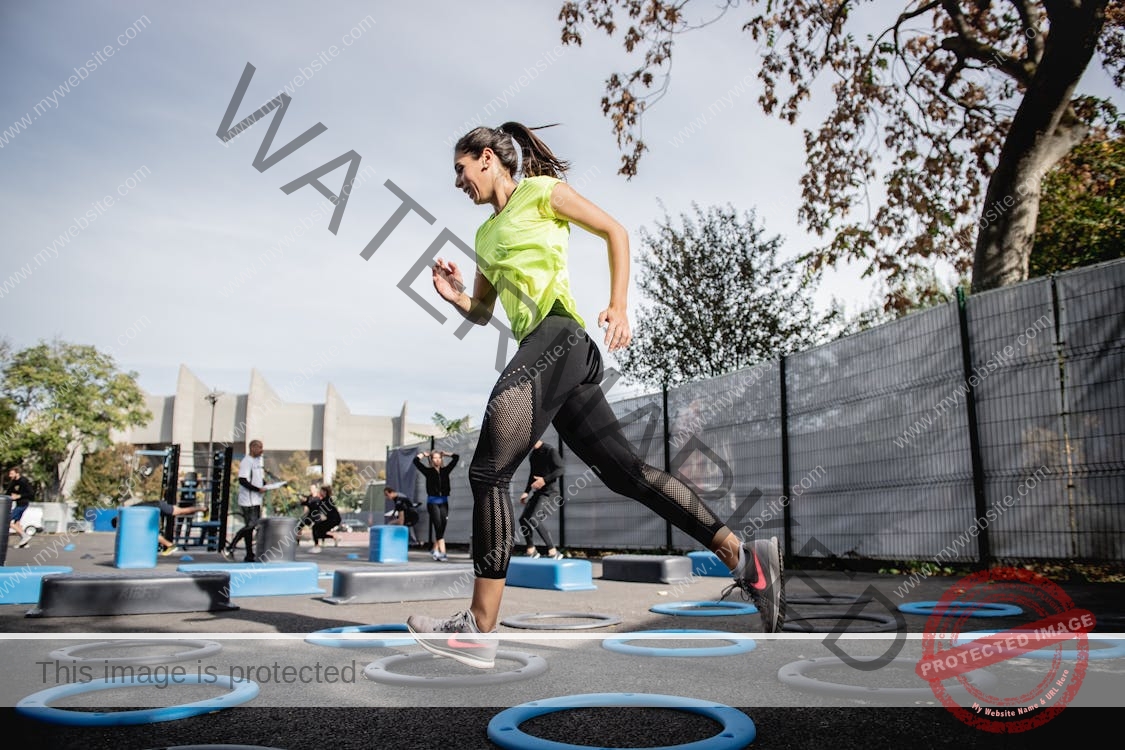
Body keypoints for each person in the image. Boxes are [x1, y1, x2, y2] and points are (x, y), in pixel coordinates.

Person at [406, 122, 784, 669]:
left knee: (488, 471)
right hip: (553, 356)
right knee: (625, 473)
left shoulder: (540, 193)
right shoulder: (485, 237)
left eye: (461, 170)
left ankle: (478, 629)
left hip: (559, 337)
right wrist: (455, 294)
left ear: (487, 158)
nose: (458, 182)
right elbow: (486, 311)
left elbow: (615, 231)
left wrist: (619, 303)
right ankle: (745, 557)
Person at [222, 440, 269, 562]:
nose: (261, 450)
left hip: (256, 500)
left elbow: (257, 478)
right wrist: (256, 489)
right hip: (248, 500)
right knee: (251, 525)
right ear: (252, 448)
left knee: (251, 527)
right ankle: (230, 547)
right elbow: (243, 480)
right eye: (259, 447)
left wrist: (263, 484)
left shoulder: (257, 462)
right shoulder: (246, 461)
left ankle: (249, 554)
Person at [518, 439, 565, 559]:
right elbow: (532, 475)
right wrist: (526, 492)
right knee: (523, 519)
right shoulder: (533, 455)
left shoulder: (550, 450)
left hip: (550, 493)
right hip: (538, 493)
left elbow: (560, 470)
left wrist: (544, 480)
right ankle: (531, 550)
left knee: (534, 519)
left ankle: (553, 551)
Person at [412, 450, 459, 561]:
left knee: (442, 526)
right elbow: (415, 461)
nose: (437, 460)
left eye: (439, 458)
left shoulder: (446, 470)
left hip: (444, 502)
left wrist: (446, 453)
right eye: (434, 458)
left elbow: (456, 457)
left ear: (441, 459)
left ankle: (434, 549)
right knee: (438, 526)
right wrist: (423, 454)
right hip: (433, 502)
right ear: (431, 460)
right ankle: (442, 553)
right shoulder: (428, 471)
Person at [5, 466, 36, 549]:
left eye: (12, 473)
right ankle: (24, 543)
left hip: (23, 503)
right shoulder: (13, 482)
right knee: (17, 523)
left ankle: (25, 536)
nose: (10, 475)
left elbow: (31, 493)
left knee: (7, 521)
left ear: (17, 473)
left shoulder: (23, 481)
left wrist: (19, 496)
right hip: (18, 504)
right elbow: (8, 493)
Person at [306, 484, 341, 553]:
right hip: (333, 519)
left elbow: (317, 508)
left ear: (324, 492)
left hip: (333, 520)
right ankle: (335, 537)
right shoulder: (325, 500)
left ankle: (317, 547)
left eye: (321, 491)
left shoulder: (326, 500)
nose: (319, 492)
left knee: (315, 528)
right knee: (319, 533)